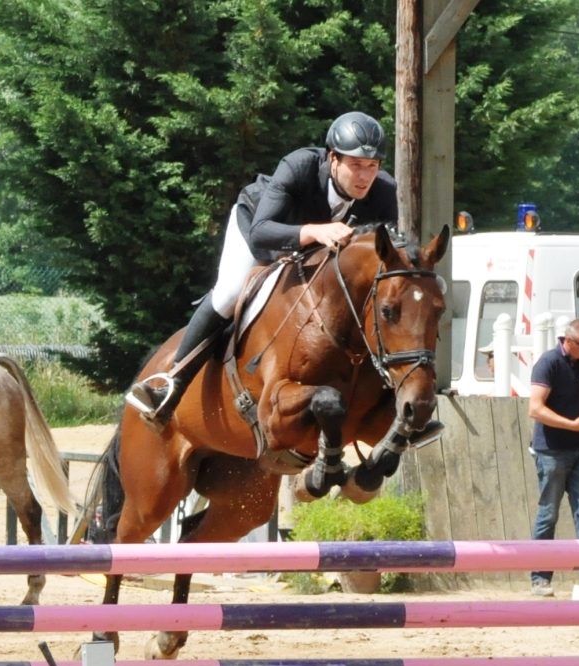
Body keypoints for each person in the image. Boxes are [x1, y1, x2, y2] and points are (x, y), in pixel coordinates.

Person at [127, 111, 398, 430]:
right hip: (260, 228)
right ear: (333, 158)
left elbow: (386, 254)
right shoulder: (298, 166)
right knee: (230, 292)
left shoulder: (383, 191)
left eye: (372, 166)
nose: (365, 176)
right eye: (355, 164)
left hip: (316, 252)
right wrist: (314, 231)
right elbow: (261, 231)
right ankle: (169, 387)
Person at [527, 318, 579, 596]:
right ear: (568, 341)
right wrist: (571, 424)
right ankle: (540, 577)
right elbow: (535, 409)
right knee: (548, 513)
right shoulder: (548, 362)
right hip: (551, 448)